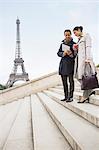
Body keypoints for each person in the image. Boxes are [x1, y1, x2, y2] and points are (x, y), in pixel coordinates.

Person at [73, 26, 96, 103]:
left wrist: (88, 59)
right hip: (79, 61)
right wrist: (76, 48)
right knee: (78, 76)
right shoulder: (79, 40)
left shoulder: (86, 36)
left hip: (85, 60)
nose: (75, 34)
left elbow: (88, 47)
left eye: (75, 32)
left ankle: (85, 96)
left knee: (84, 78)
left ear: (79, 30)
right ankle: (90, 91)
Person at [57, 29, 77, 102]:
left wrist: (71, 54)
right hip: (63, 65)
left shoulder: (74, 44)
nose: (67, 36)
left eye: (69, 35)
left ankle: (70, 97)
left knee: (71, 82)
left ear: (71, 35)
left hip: (70, 65)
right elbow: (58, 53)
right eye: (66, 35)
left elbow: (75, 55)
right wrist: (63, 53)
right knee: (64, 82)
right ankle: (66, 96)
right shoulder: (62, 44)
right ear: (64, 35)